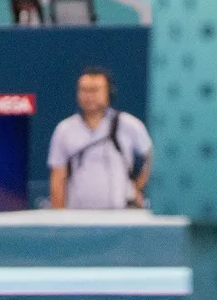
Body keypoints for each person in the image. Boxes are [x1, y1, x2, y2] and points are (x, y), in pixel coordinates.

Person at [48, 68, 154, 210]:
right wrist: (58, 216)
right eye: (84, 90)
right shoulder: (64, 130)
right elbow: (58, 176)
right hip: (78, 215)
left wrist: (137, 187)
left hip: (122, 214)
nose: (88, 96)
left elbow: (153, 157)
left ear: (109, 93)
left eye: (94, 90)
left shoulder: (128, 124)